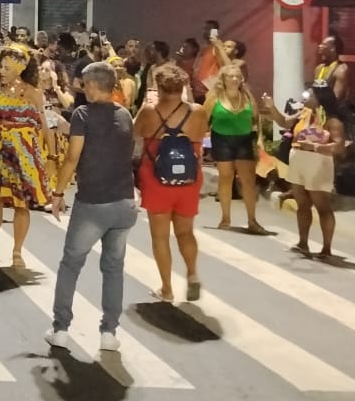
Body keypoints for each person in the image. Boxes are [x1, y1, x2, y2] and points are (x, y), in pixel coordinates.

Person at [46, 61, 138, 353]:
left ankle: (61, 329)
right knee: (113, 268)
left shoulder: (83, 115)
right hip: (124, 202)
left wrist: (58, 192)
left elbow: (72, 158)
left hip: (93, 202)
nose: (81, 88)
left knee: (71, 263)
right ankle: (109, 332)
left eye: (84, 84)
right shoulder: (125, 115)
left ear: (94, 85)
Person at [133, 63, 209, 302]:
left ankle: (167, 288)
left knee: (160, 236)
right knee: (186, 232)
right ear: (183, 85)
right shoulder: (197, 111)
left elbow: (135, 132)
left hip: (156, 178)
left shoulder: (149, 112)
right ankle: (193, 273)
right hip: (189, 178)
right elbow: (200, 139)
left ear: (158, 86)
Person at [0, 44, 50, 268]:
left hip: (23, 153)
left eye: (7, 67)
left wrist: (52, 156)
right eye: (1, 67)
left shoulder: (33, 93)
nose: (2, 71)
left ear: (20, 68)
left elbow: (46, 125)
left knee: (21, 203)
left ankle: (17, 251)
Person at [261, 85, 345, 258]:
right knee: (302, 204)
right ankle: (303, 242)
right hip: (298, 159)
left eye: (309, 94)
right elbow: (285, 122)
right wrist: (271, 106)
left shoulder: (332, 120)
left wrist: (315, 146)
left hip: (318, 162)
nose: (305, 97)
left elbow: (338, 146)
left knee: (322, 206)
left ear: (320, 97)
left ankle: (326, 248)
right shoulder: (304, 112)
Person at [204, 64, 267, 234]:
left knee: (248, 180)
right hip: (222, 139)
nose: (234, 79)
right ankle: (225, 218)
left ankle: (252, 220)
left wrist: (259, 138)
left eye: (237, 76)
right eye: (230, 76)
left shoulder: (246, 95)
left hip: (244, 139)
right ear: (223, 79)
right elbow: (204, 118)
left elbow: (256, 118)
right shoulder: (214, 97)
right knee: (226, 178)